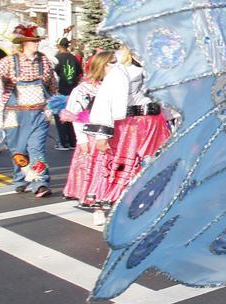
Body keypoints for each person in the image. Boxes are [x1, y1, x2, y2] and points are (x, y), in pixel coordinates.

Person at [84, 47, 170, 225]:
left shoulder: (155, 68)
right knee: (121, 164)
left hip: (153, 124)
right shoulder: (119, 71)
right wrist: (102, 134)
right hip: (129, 126)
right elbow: (104, 100)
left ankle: (147, 203)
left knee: (152, 163)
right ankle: (104, 203)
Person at [0, 25, 58, 198]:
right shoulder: (10, 61)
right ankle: (20, 178)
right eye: (33, 41)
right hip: (14, 113)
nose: (36, 44)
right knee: (18, 149)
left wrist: (53, 105)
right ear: (23, 43)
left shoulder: (44, 61)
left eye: (37, 41)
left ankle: (40, 183)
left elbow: (52, 86)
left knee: (36, 149)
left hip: (38, 113)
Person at [61, 50, 114, 206]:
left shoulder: (118, 86)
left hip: (112, 136)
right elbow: (76, 117)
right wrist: (82, 140)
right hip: (91, 136)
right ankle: (93, 199)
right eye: (112, 63)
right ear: (102, 66)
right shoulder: (83, 89)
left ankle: (107, 197)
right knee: (92, 171)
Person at [53, 38, 82, 151]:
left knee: (61, 117)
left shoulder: (57, 59)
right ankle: (73, 141)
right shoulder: (74, 58)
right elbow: (79, 74)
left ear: (59, 46)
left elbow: (53, 75)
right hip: (73, 91)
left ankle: (63, 142)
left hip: (60, 91)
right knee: (71, 116)